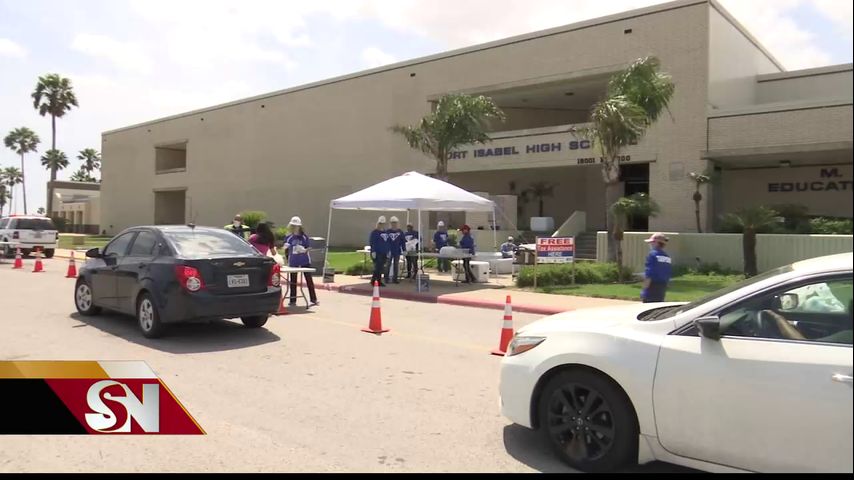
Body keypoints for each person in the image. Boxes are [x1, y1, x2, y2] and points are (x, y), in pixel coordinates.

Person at [284, 216, 318, 307]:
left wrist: (304, 250)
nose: (295, 227)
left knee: (309, 280)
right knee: (293, 281)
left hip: (304, 260)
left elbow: (308, 247)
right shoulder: (289, 237)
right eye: (293, 226)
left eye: (296, 226)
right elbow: (286, 248)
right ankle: (292, 300)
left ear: (300, 226)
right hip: (294, 261)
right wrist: (286, 248)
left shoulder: (304, 237)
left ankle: (313, 299)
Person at [641, 233, 672, 303]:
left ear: (656, 243)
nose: (650, 244)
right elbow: (668, 274)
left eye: (651, 242)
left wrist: (644, 290)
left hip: (651, 288)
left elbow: (649, 274)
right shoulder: (667, 257)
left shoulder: (652, 255)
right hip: (662, 289)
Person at [369, 216, 390, 287]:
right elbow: (372, 242)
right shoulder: (374, 232)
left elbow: (387, 242)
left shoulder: (385, 232)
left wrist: (388, 251)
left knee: (381, 268)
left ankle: (374, 280)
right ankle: (377, 281)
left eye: (383, 223)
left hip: (384, 252)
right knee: (378, 267)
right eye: (381, 223)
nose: (382, 225)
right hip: (377, 253)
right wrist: (373, 251)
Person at [385, 216, 404, 284]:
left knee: (396, 265)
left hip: (397, 251)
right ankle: (386, 278)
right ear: (390, 223)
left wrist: (404, 250)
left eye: (395, 223)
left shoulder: (400, 232)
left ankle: (395, 279)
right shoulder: (387, 232)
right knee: (388, 264)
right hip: (389, 251)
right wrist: (387, 250)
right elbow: (385, 241)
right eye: (393, 222)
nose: (394, 224)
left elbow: (403, 242)